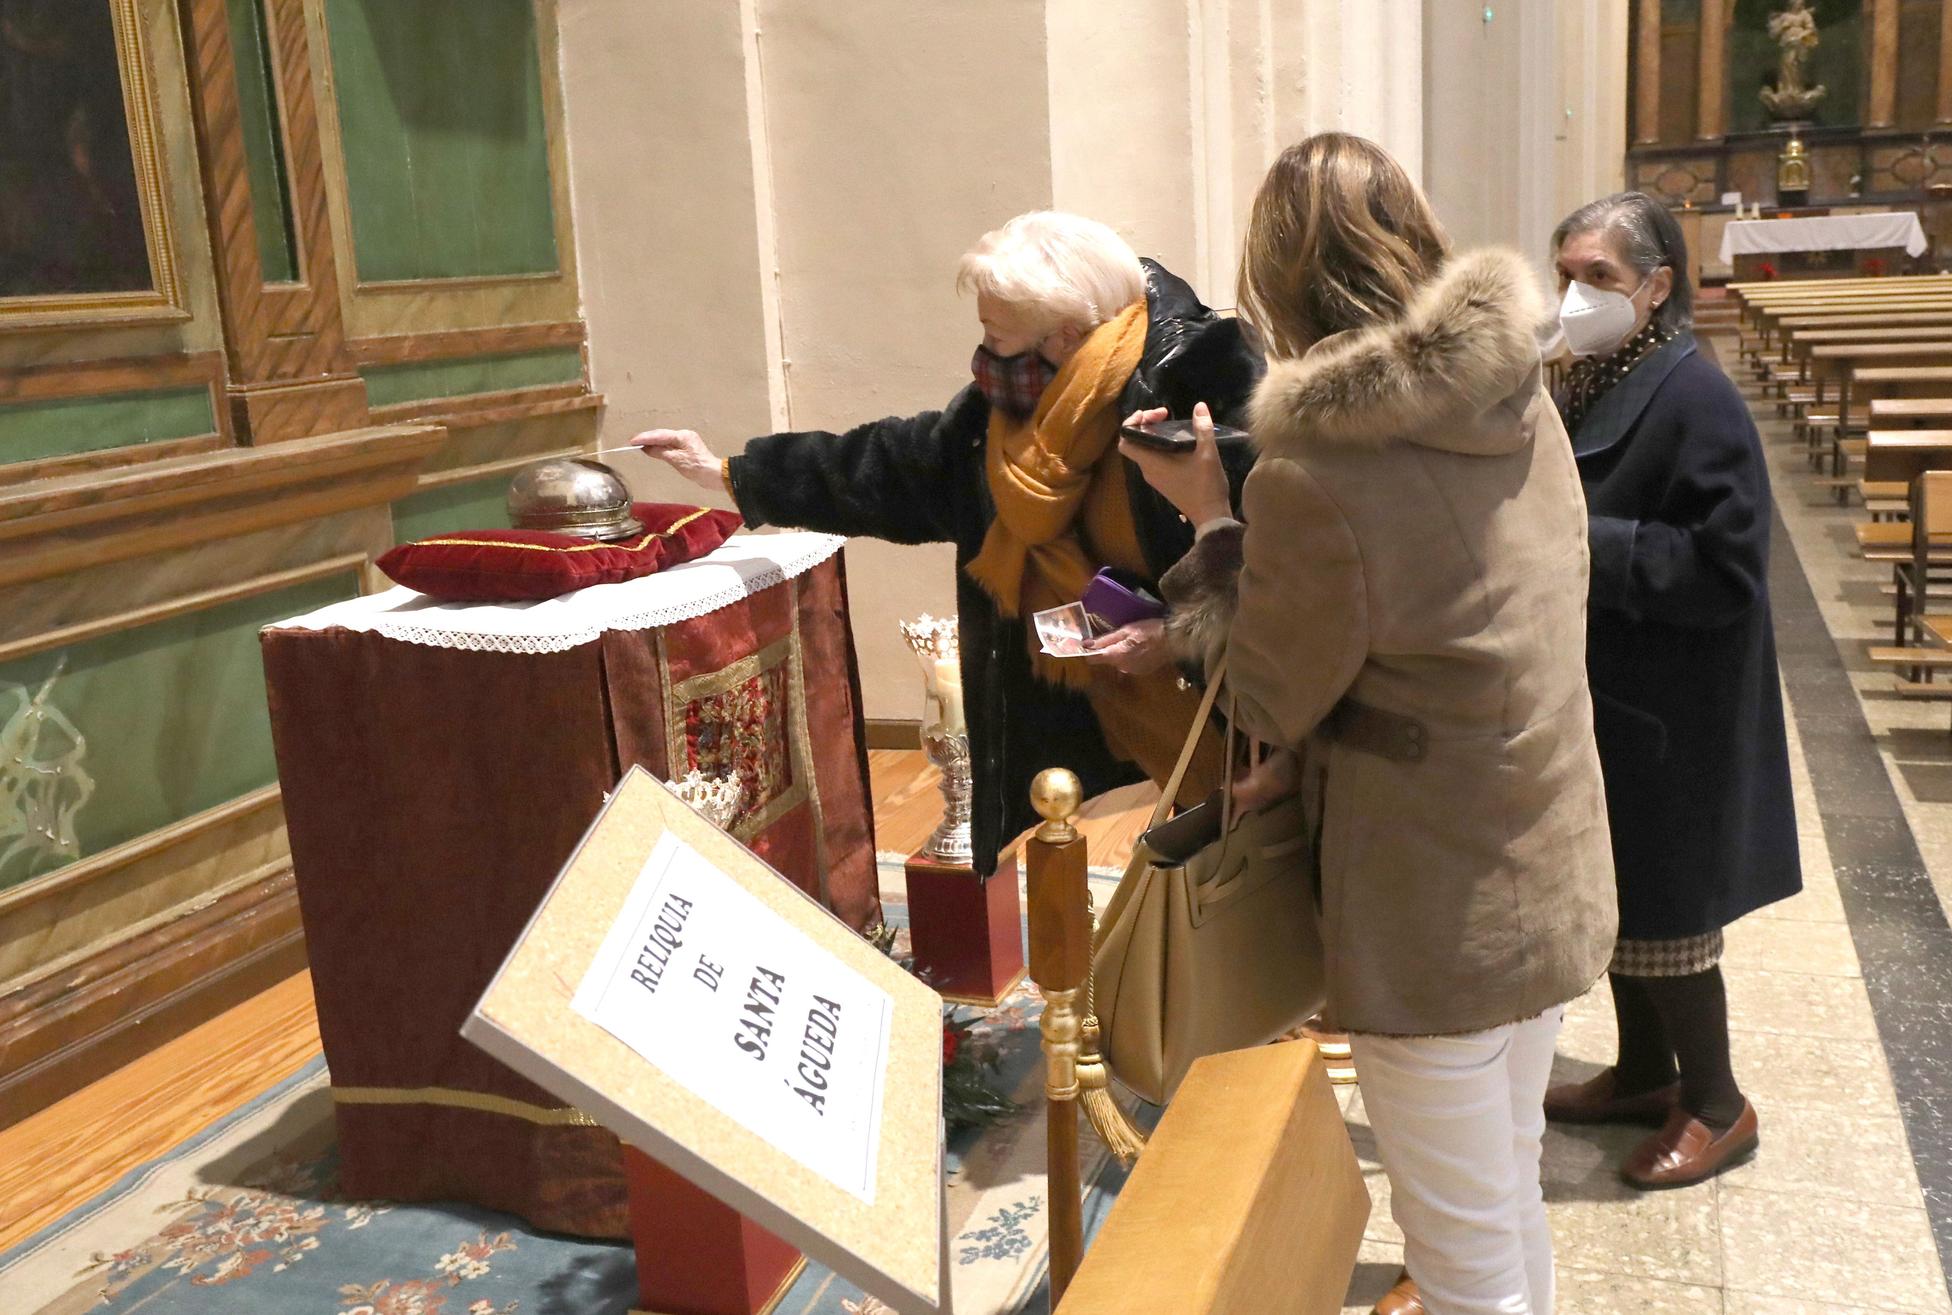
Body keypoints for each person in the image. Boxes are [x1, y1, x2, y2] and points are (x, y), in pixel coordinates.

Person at [1123, 132, 1616, 1315]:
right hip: (1542, 849)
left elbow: (1261, 690)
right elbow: (1465, 626)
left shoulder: (1311, 471)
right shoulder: (1518, 393)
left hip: (1430, 904)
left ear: (1276, 277)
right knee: (1505, 1191)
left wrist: (1208, 524)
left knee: (1455, 1251)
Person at [629, 212, 1261, 878]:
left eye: (995, 333)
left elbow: (1284, 566)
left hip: (1240, 718)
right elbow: (888, 468)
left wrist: (1175, 632)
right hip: (1125, 721)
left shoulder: (1201, 379)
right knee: (1195, 891)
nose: (983, 352)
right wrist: (732, 473)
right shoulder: (1011, 411)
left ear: (1066, 336)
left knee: (1261, 888)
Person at [1540, 192, 1801, 1188]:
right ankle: (1645, 1072)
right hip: (1609, 683)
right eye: (1564, 272)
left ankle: (1715, 1100)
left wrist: (1579, 546)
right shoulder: (1596, 375)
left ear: (1655, 286)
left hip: (1673, 698)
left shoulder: (1694, 395)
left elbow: (1726, 567)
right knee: (1618, 899)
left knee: (1669, 913)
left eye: (1597, 277)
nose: (1573, 294)